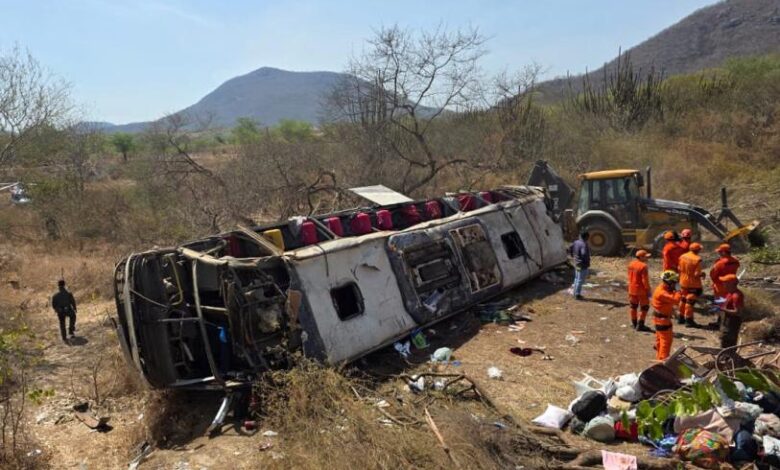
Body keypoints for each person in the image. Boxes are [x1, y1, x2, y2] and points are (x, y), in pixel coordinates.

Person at [652, 270, 682, 361]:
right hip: (662, 321)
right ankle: (663, 362)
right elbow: (676, 300)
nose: (676, 284)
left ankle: (659, 359)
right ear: (669, 282)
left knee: (660, 341)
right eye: (674, 282)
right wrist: (678, 290)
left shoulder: (663, 288)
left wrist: (672, 311)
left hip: (660, 319)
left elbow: (668, 302)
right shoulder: (662, 293)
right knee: (666, 342)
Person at [678, 242, 705, 328]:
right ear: (698, 250)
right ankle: (689, 321)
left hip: (683, 281)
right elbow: (696, 274)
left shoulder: (682, 256)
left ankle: (681, 318)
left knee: (683, 299)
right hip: (693, 284)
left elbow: (679, 268)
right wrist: (702, 274)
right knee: (690, 301)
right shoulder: (697, 259)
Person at [627, 250, 652, 332]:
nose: (647, 258)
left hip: (631, 289)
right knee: (644, 307)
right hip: (641, 291)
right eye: (646, 257)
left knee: (633, 306)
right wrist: (648, 290)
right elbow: (645, 281)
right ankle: (640, 325)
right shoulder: (643, 266)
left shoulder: (631, 264)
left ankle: (634, 323)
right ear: (641, 257)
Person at [719, 274, 744, 349]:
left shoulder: (736, 296)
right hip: (727, 321)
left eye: (725, 282)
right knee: (724, 340)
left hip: (732, 322)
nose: (723, 284)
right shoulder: (730, 293)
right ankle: (725, 354)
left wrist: (722, 309)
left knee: (728, 342)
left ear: (731, 284)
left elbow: (737, 312)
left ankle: (728, 355)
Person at [51, 280, 77, 344]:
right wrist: (75, 308)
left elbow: (53, 305)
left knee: (62, 323)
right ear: (64, 285)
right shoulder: (68, 293)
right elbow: (72, 302)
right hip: (68, 310)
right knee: (73, 316)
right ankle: (71, 330)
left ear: (58, 285)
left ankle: (64, 337)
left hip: (60, 311)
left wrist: (57, 310)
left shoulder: (55, 295)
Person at [569, 231, 591, 300]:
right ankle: (577, 295)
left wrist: (573, 256)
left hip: (576, 263)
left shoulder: (576, 242)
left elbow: (570, 248)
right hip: (582, 265)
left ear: (580, 236)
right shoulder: (584, 244)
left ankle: (575, 293)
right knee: (580, 280)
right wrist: (587, 261)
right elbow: (584, 254)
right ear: (587, 237)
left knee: (576, 278)